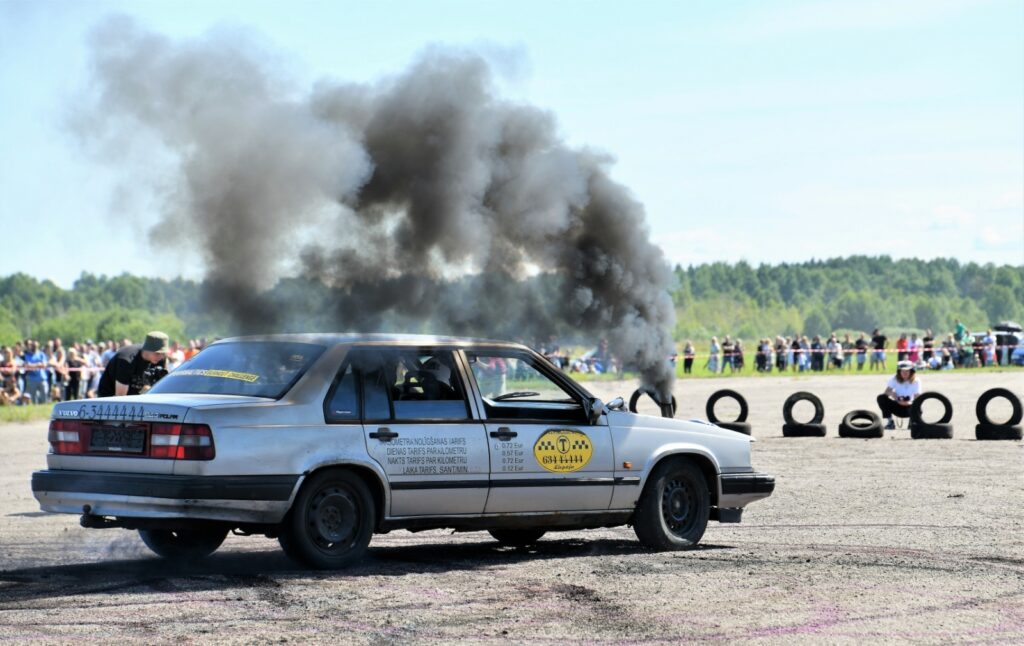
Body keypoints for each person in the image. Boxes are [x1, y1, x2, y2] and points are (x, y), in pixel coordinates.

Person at [97, 332, 171, 397]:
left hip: (135, 396)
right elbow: (120, 397)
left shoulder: (160, 359)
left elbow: (161, 388)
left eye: (163, 354)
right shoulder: (127, 359)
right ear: (147, 349)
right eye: (157, 353)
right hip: (109, 398)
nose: (161, 357)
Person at [876, 360, 922, 430]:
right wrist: (896, 397)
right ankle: (890, 422)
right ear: (899, 371)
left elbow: (917, 397)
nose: (904, 373)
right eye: (902, 371)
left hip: (910, 407)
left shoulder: (916, 381)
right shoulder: (894, 378)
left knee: (919, 404)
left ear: (911, 371)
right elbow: (886, 392)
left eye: (907, 371)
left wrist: (909, 403)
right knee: (881, 397)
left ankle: (913, 423)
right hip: (897, 405)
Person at [22, 340, 49, 404]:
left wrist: (33, 365)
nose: (34, 347)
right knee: (33, 397)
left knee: (44, 395)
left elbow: (44, 364)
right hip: (32, 379)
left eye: (35, 346)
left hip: (42, 378)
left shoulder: (42, 354)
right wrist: (38, 364)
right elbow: (27, 365)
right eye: (33, 346)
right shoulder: (27, 355)